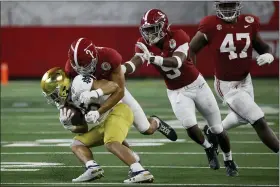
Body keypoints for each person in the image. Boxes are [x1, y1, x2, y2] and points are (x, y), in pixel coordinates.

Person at [121, 8, 238, 176]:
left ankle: (229, 159)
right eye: (147, 30)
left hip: (197, 85)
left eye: (153, 29)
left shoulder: (179, 36)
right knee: (190, 127)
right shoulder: (143, 43)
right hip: (176, 91)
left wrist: (153, 58)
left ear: (163, 26)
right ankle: (208, 148)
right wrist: (121, 69)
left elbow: (176, 62)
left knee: (218, 128)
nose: (149, 34)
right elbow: (135, 62)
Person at [189, 0, 279, 154]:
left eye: (230, 5)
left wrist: (268, 55)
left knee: (243, 117)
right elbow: (191, 49)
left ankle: (214, 131)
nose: (228, 9)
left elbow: (263, 46)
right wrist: (193, 76)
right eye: (224, 6)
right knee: (258, 119)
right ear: (217, 7)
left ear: (238, 5)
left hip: (246, 80)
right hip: (227, 85)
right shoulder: (210, 25)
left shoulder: (248, 22)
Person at [40, 67, 154, 183]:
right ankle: (92, 168)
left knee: (111, 143)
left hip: (118, 110)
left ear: (63, 87)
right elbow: (83, 129)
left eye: (54, 94)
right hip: (105, 121)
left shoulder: (79, 83)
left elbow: (114, 86)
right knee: (77, 144)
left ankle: (140, 171)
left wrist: (95, 93)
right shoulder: (65, 106)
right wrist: (70, 126)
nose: (54, 98)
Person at [64, 38, 177, 141]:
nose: (82, 71)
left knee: (146, 129)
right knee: (110, 130)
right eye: (78, 68)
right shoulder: (70, 68)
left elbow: (120, 91)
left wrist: (98, 113)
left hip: (112, 90)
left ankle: (156, 123)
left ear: (95, 58)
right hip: (92, 96)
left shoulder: (109, 57)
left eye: (86, 66)